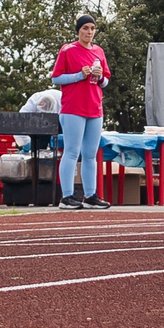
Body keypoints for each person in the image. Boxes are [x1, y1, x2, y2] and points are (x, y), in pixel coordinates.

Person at [50, 14, 111, 210]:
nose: (89, 32)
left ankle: (90, 195)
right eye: (85, 28)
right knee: (71, 151)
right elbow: (56, 78)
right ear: (78, 31)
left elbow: (105, 81)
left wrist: (99, 77)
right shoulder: (68, 50)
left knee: (90, 154)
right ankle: (67, 196)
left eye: (92, 28)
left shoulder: (99, 51)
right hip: (73, 108)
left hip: (95, 108)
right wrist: (78, 75)